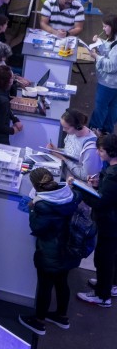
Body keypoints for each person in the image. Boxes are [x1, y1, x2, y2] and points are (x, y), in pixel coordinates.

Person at [18, 167, 81, 334]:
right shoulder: (69, 195)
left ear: (35, 186)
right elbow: (78, 196)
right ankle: (62, 316)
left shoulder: (42, 205)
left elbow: (37, 227)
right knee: (62, 282)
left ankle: (39, 322)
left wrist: (32, 209)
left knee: (45, 286)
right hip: (68, 248)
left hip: (49, 251)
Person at [77, 132, 117, 307]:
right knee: (112, 257)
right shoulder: (111, 171)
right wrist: (98, 184)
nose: (97, 153)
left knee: (104, 258)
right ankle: (108, 284)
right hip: (112, 222)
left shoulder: (113, 175)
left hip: (110, 224)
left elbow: (101, 203)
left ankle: (102, 295)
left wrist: (82, 190)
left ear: (110, 151)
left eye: (100, 150)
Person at [47, 109, 101, 182]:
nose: (63, 130)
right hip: (66, 174)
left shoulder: (91, 148)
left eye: (66, 128)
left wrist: (64, 159)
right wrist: (56, 150)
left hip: (77, 183)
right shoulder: (72, 133)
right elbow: (70, 152)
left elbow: (86, 176)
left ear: (77, 126)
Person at [89, 15, 117, 133]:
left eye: (105, 26)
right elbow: (109, 50)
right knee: (112, 109)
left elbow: (112, 66)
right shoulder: (114, 40)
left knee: (100, 108)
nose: (103, 29)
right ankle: (107, 134)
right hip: (113, 84)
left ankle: (93, 133)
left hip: (108, 84)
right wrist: (99, 43)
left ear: (113, 26)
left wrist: (96, 56)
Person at [0, 64, 23, 148]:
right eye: (12, 78)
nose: (13, 80)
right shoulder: (3, 101)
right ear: (7, 81)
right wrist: (13, 130)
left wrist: (14, 119)